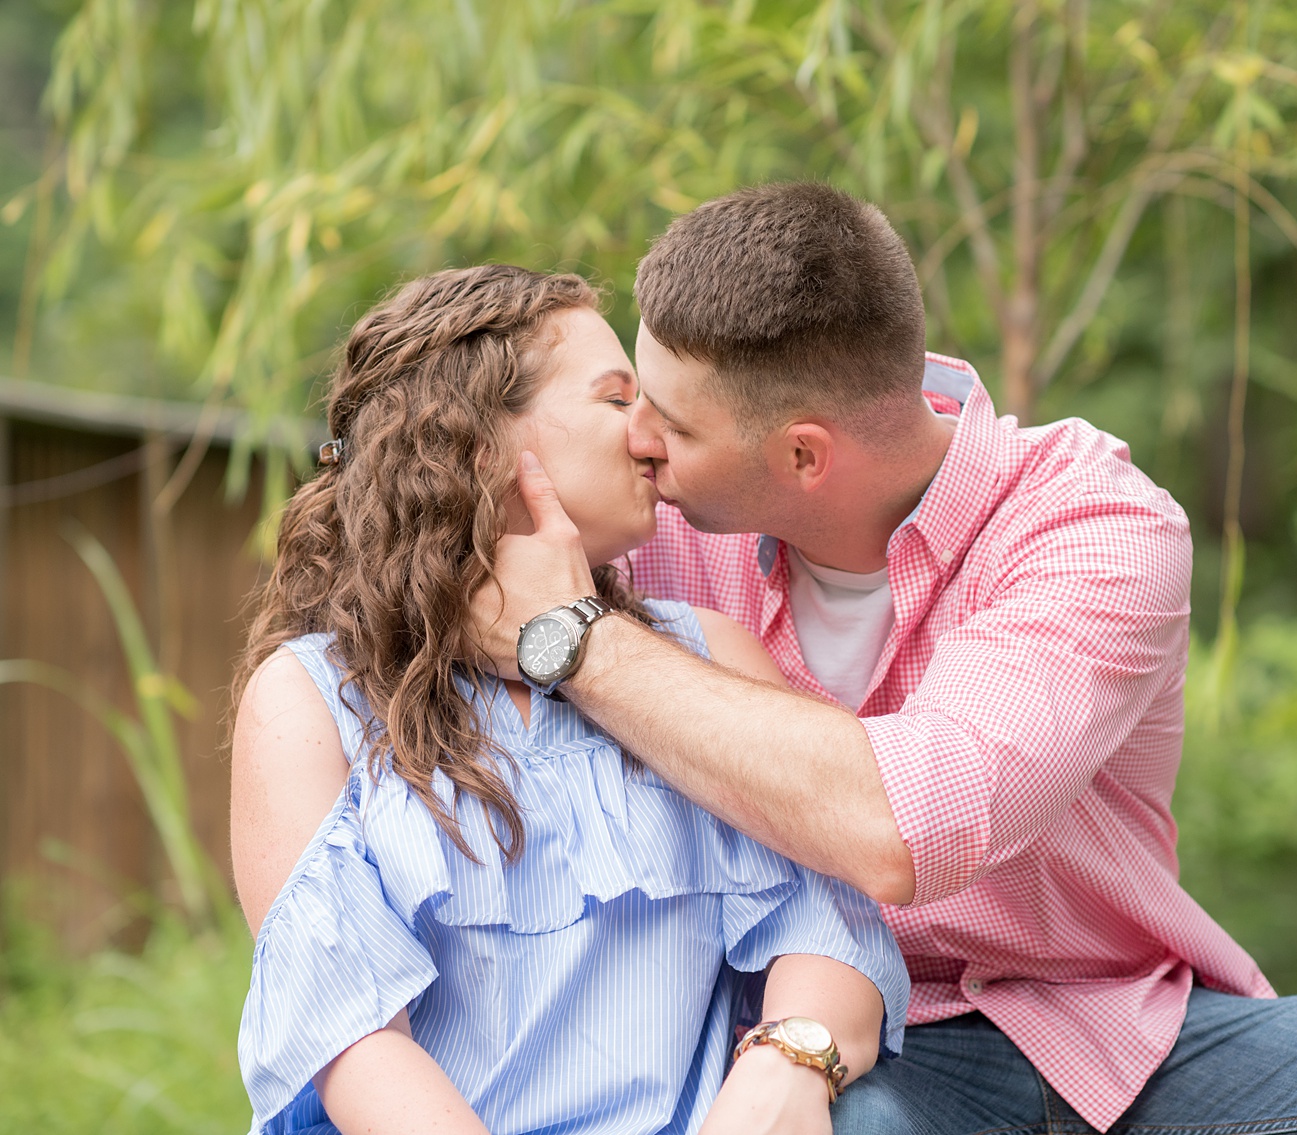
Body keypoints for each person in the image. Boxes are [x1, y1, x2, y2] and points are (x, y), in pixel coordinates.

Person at [469, 183, 1297, 1134]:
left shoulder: (1094, 526)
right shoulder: (655, 532)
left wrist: (580, 647)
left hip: (1117, 1028)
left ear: (804, 455)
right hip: (858, 1044)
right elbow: (403, 517)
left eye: (670, 423)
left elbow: (902, 830)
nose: (638, 442)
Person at [229, 264, 908, 1135]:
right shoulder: (312, 698)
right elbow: (353, 1039)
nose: (652, 434)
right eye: (617, 398)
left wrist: (788, 1061)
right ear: (475, 441)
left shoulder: (705, 656)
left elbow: (829, 918)